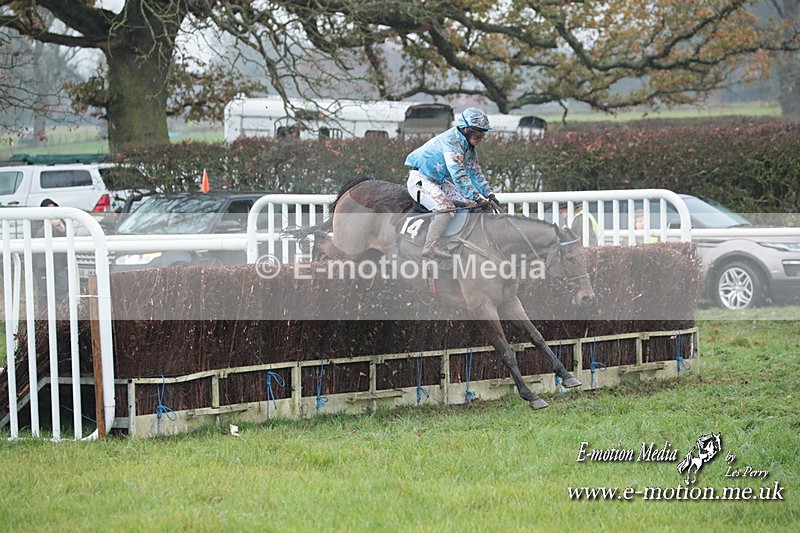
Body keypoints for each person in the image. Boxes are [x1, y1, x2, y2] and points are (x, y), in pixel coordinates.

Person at [405, 107, 499, 259]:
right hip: (420, 180)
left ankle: (464, 241)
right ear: (465, 129)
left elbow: (475, 173)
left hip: (438, 181)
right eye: (477, 132)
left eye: (483, 133)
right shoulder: (452, 142)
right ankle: (430, 246)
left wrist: (489, 194)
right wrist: (477, 197)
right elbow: (459, 175)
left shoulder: (469, 148)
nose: (480, 137)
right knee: (446, 208)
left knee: (471, 204)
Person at [35, 198, 69, 307]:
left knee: (63, 293)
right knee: (44, 295)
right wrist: (49, 225)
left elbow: (68, 239)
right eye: (48, 209)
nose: (52, 212)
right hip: (43, 267)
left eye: (53, 209)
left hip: (60, 265)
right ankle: (44, 317)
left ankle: (63, 316)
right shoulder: (37, 223)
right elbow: (37, 238)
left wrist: (61, 229)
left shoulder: (62, 223)